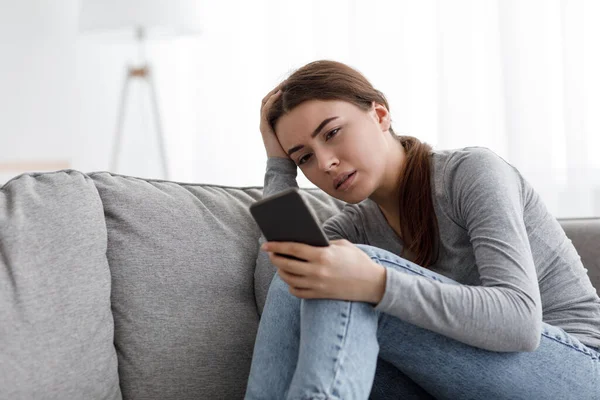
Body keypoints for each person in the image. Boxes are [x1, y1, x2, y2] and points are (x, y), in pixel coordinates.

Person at [244, 60, 600, 400]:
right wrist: (278, 167)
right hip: (457, 383)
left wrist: (376, 283)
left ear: (379, 114)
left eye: (333, 133)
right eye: (303, 157)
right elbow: (280, 287)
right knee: (314, 271)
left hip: (575, 374)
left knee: (346, 268)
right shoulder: (354, 226)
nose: (325, 163)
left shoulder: (470, 173)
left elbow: (520, 323)